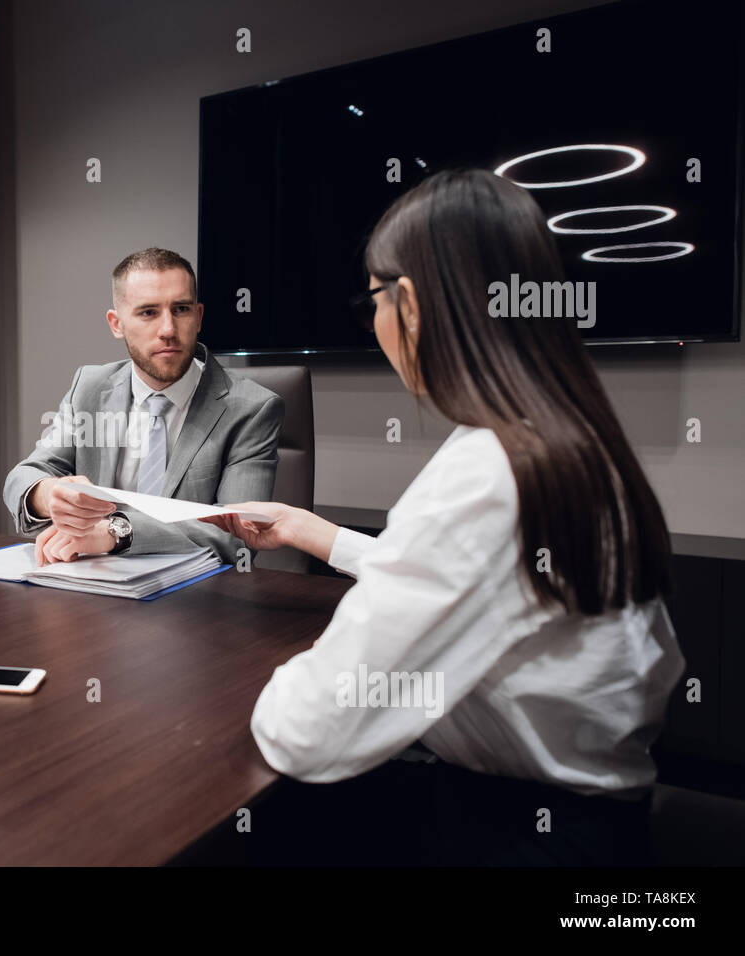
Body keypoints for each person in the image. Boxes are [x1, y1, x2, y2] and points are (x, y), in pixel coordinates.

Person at [200, 169, 684, 865]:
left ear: (415, 305)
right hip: (595, 811)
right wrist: (319, 536)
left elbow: (305, 731)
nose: (373, 324)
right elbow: (489, 580)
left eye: (375, 299)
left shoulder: (490, 472)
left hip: (521, 831)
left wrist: (274, 673)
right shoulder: (556, 435)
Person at [3, 247, 284, 566]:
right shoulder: (90, 387)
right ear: (116, 323)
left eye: (181, 309)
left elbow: (239, 533)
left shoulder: (251, 409)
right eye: (148, 312)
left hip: (197, 598)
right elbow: (23, 476)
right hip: (94, 583)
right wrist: (48, 494)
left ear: (199, 317)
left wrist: (115, 532)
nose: (168, 329)